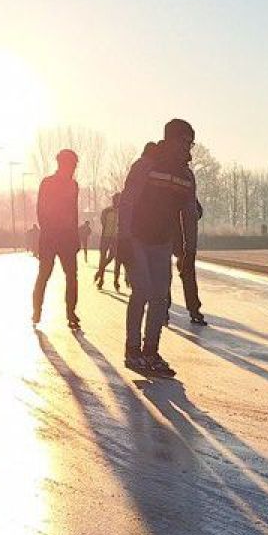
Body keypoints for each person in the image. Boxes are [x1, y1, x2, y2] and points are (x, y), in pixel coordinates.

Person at [119, 120, 197, 377]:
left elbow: (188, 215)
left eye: (190, 142)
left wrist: (189, 252)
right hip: (137, 239)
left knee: (161, 297)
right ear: (170, 140)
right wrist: (124, 239)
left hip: (162, 241)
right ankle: (133, 350)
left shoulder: (186, 176)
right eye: (183, 141)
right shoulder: (145, 166)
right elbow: (127, 202)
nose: (186, 147)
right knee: (141, 291)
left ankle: (151, 351)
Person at [33, 148, 84, 329]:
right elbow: (40, 209)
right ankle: (37, 310)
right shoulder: (47, 183)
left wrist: (76, 237)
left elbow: (74, 211)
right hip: (50, 235)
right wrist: (47, 232)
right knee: (44, 274)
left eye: (75, 166)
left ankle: (71, 312)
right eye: (72, 165)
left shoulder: (74, 185)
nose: (73, 169)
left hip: (68, 236)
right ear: (62, 164)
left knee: (72, 276)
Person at [175, 193, 207, 326]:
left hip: (180, 237)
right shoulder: (186, 183)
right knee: (187, 274)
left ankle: (193, 309)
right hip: (178, 237)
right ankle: (194, 309)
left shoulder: (185, 183)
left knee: (186, 273)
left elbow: (198, 211)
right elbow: (198, 212)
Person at [95, 193, 123, 291]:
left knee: (116, 260)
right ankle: (101, 280)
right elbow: (103, 222)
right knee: (102, 259)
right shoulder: (106, 211)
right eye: (116, 200)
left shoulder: (122, 212)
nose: (117, 202)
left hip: (116, 238)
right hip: (106, 237)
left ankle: (115, 280)